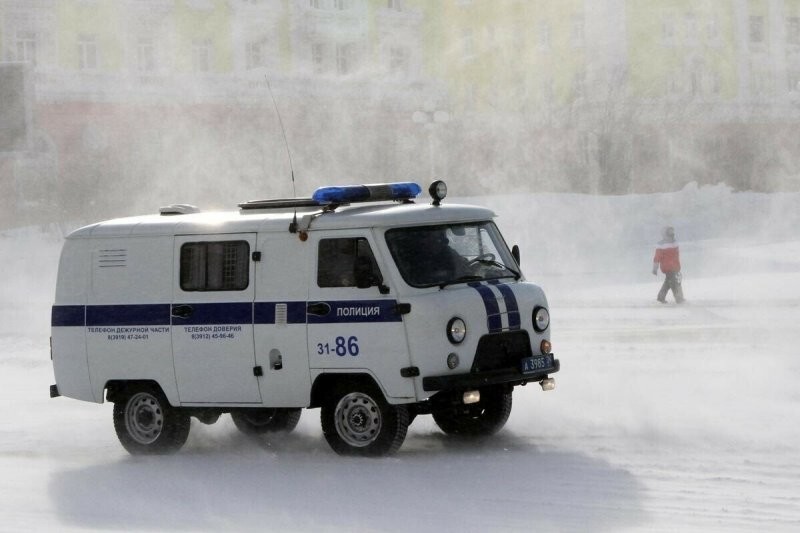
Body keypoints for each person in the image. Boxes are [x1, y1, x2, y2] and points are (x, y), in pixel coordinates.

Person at [652, 226, 684, 303]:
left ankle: (661, 297)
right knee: (674, 282)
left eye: (672, 232)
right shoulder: (661, 245)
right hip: (668, 267)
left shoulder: (674, 243)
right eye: (670, 232)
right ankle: (679, 298)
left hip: (675, 266)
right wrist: (655, 268)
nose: (672, 234)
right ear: (665, 234)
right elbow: (657, 258)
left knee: (669, 282)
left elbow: (676, 256)